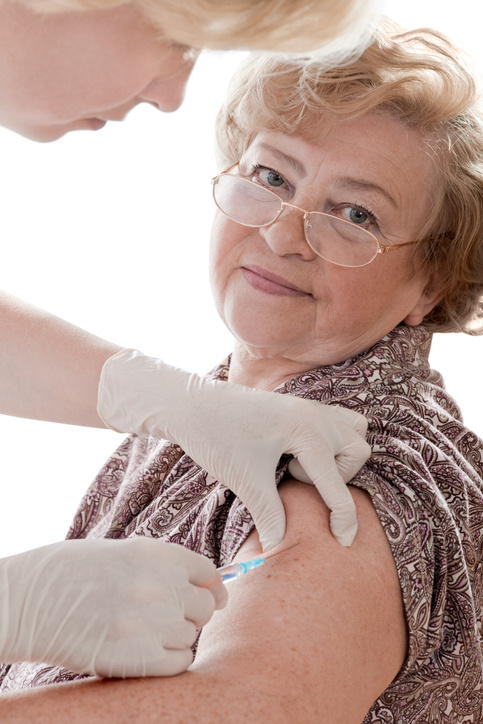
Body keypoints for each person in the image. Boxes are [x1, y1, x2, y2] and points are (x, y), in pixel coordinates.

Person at [1, 18, 483, 721]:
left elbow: (255, 707)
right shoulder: (219, 412)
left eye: (355, 213)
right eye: (269, 175)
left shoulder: (352, 461)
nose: (284, 233)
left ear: (430, 284)